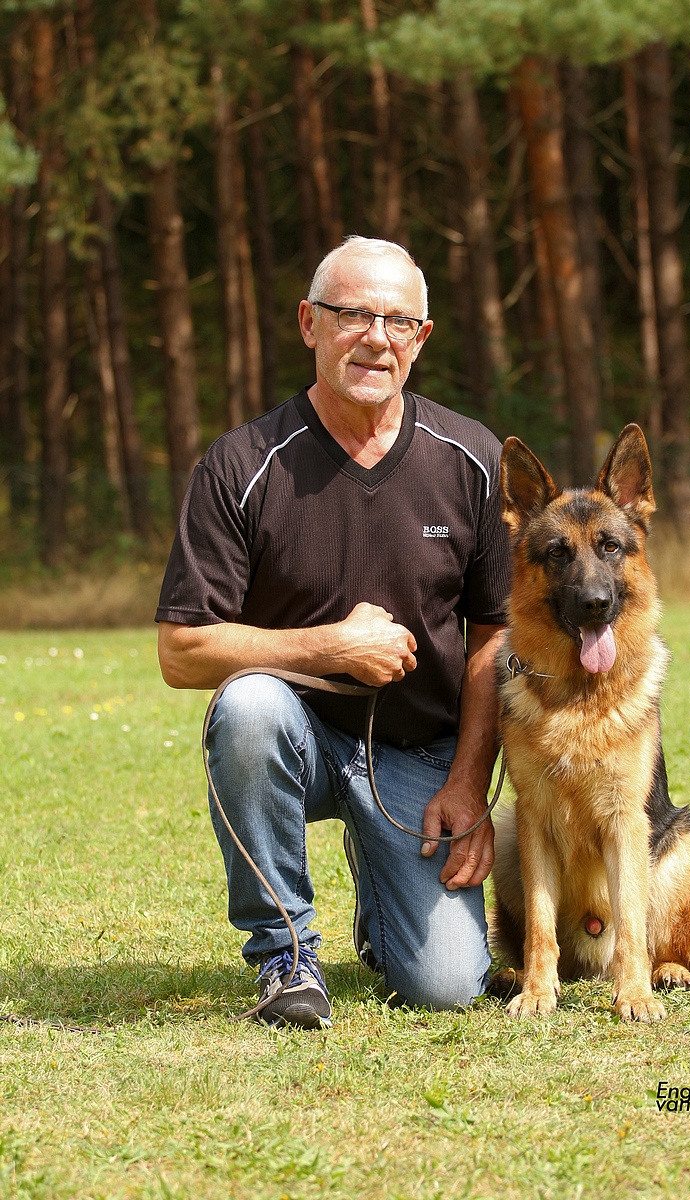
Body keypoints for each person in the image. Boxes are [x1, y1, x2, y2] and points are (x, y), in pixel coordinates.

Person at [156, 236, 510, 1028]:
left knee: (448, 987)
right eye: (352, 314)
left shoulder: (473, 458)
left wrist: (468, 786)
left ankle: (382, 895)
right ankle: (286, 957)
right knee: (247, 707)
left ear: (421, 339)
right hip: (297, 738)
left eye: (396, 320)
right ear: (310, 323)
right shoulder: (240, 463)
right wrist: (329, 647)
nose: (374, 337)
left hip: (422, 758)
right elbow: (182, 652)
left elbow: (495, 635)